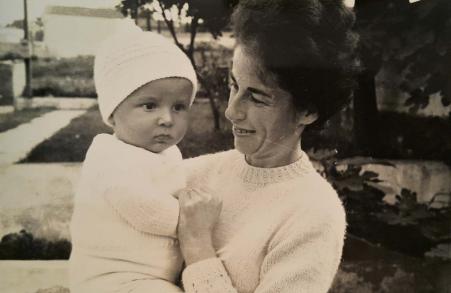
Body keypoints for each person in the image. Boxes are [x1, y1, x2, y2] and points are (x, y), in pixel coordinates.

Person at [175, 0, 359, 292]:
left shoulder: (315, 216)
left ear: (307, 111)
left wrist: (198, 247)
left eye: (257, 97)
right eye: (233, 85)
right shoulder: (194, 174)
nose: (231, 112)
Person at [69, 26, 197, 293]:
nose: (167, 119)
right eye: (150, 105)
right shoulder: (108, 156)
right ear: (113, 113)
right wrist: (197, 221)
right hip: (111, 279)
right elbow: (145, 210)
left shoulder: (168, 153)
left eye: (179, 106)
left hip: (151, 277)